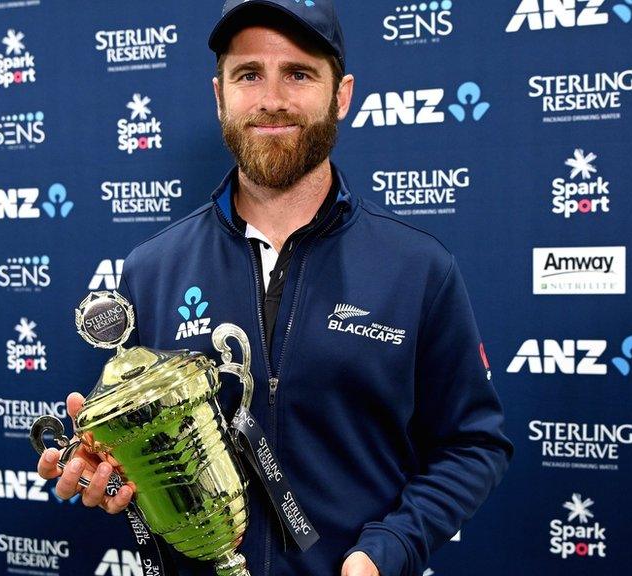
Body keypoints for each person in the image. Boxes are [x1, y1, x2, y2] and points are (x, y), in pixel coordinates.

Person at [37, 1, 513, 575]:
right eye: (248, 74)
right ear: (219, 95)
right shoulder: (149, 269)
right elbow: (143, 455)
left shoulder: (418, 269)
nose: (271, 99)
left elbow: (473, 445)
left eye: (299, 73)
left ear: (342, 95)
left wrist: (388, 550)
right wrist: (108, 465)